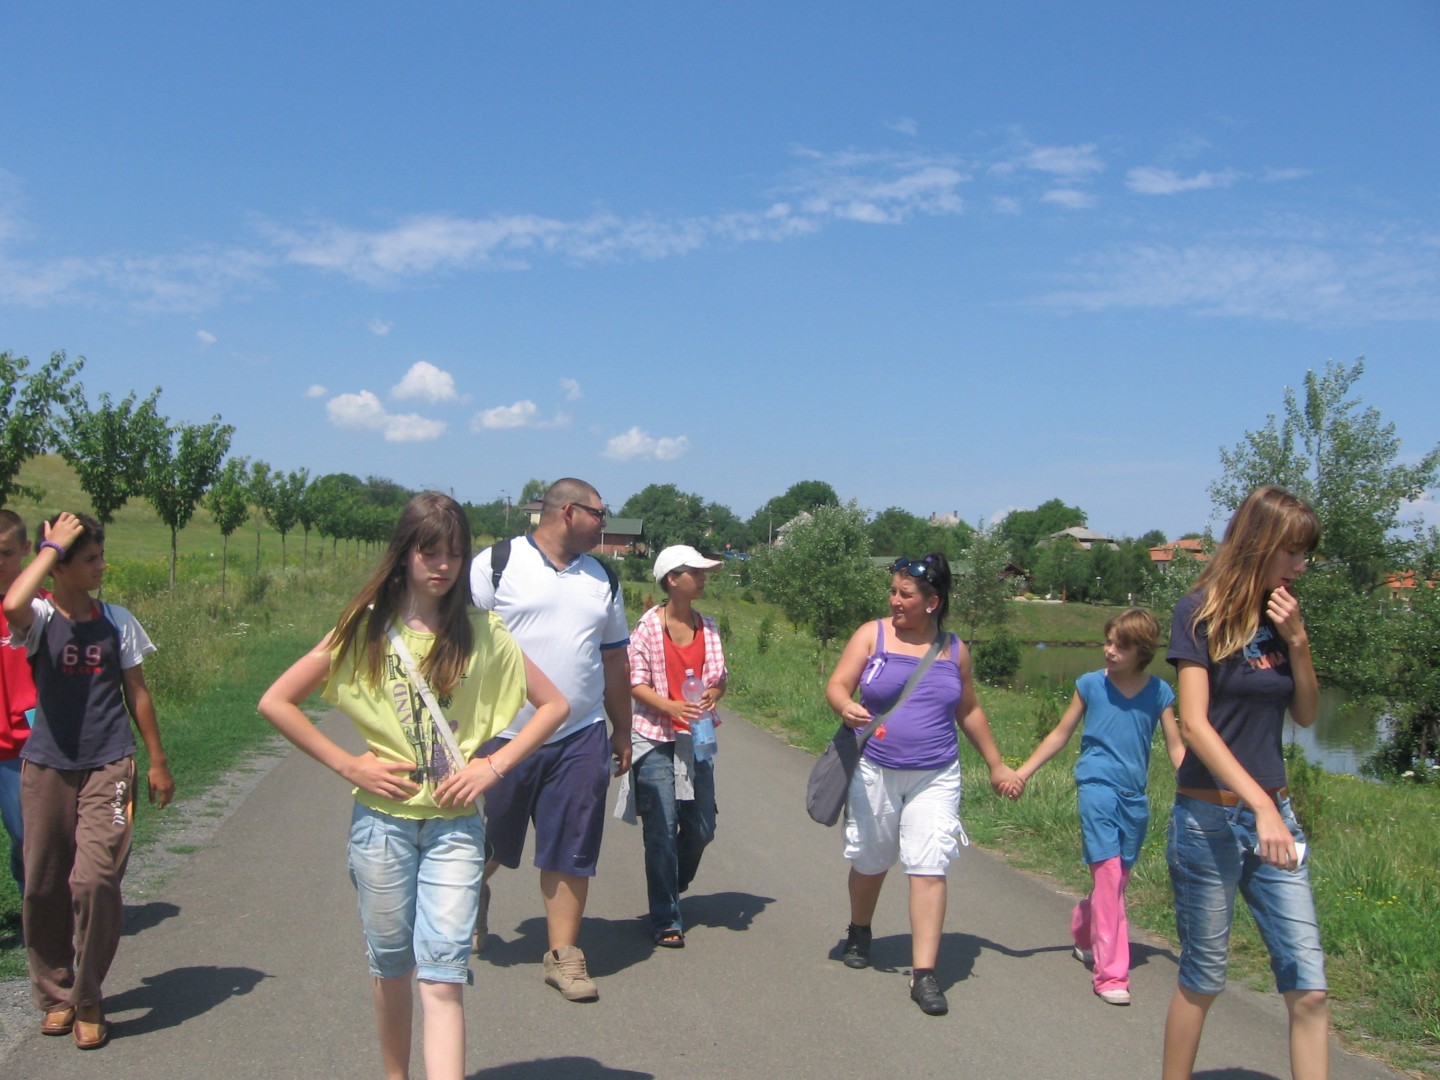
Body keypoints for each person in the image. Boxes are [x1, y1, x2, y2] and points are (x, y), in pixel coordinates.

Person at [259, 493, 568, 1080]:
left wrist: (493, 766)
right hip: (382, 827)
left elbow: (554, 705)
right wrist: (349, 766)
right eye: (430, 551)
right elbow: (277, 701)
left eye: (454, 552)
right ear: (404, 553)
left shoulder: (484, 631)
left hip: (455, 829)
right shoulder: (367, 629)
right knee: (392, 967)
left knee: (444, 976)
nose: (443, 565)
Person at [1161, 485, 1329, 1080]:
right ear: (1260, 544)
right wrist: (1259, 806)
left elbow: (1305, 715)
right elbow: (1195, 725)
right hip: (1210, 818)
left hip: (1274, 816)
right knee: (1203, 978)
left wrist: (1299, 643)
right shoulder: (1198, 612)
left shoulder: (1283, 618)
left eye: (1305, 554)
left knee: (1309, 989)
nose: (1301, 565)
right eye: (1293, 552)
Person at [2, 511, 174, 1051]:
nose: (101, 566)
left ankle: (89, 993)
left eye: (102, 556)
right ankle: (57, 994)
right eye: (90, 559)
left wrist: (157, 760)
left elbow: (137, 692)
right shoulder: (39, 618)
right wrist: (50, 546)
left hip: (110, 762)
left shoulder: (117, 620)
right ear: (59, 566)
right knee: (43, 883)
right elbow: (12, 603)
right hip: (47, 766)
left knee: (96, 878)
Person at [825, 552, 1021, 1016]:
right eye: (893, 592)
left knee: (929, 865)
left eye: (905, 594)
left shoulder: (954, 650)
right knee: (871, 859)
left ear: (932, 602)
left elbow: (969, 710)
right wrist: (844, 706)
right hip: (876, 768)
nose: (894, 601)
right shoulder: (872, 634)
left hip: (936, 773)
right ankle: (859, 929)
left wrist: (996, 765)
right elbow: (837, 684)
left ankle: (924, 973)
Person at [470, 478, 632, 1002]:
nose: (604, 524)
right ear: (568, 511)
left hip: (579, 735)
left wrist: (622, 728)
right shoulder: (496, 564)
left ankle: (563, 955)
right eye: (599, 514)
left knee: (572, 846)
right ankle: (472, 890)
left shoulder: (602, 578)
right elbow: (457, 644)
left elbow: (614, 658)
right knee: (491, 838)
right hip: (503, 735)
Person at [1014, 607, 1185, 1005]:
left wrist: (1194, 784)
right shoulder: (1090, 684)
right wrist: (1023, 772)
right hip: (1096, 787)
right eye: (1108, 642)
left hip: (1134, 796)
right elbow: (1060, 734)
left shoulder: (1160, 692)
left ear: (1141, 651)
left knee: (1117, 879)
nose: (1109, 650)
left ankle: (1084, 926)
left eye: (1120, 646)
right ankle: (1111, 975)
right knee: (1108, 874)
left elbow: (1176, 746)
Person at [622, 545, 727, 948]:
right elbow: (634, 681)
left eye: (703, 573)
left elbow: (719, 679)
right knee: (662, 827)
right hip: (653, 736)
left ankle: (669, 882)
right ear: (672, 579)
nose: (702, 579)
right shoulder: (648, 628)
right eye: (695, 573)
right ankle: (666, 916)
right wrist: (669, 705)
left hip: (696, 737)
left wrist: (714, 692)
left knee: (702, 827)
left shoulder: (708, 627)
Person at [0, 509, 36, 893]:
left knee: (28, 831)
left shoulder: (41, 607)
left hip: (28, 741)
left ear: (25, 549)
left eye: (6, 553)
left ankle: (38, 903)